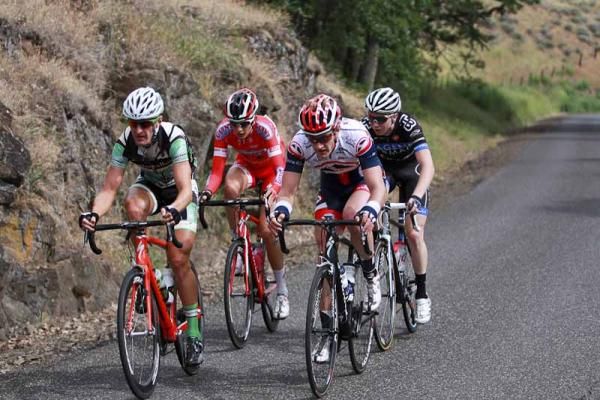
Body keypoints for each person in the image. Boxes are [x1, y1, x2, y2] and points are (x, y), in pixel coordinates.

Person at [78, 87, 204, 366]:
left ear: (157, 121)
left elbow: (184, 189)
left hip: (180, 194)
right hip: (150, 187)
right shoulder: (125, 142)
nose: (138, 130)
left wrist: (173, 209)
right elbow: (109, 188)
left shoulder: (174, 138)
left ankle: (194, 331)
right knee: (132, 205)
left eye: (145, 123)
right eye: (133, 123)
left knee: (178, 257)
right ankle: (148, 275)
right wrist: (94, 214)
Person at [269, 93, 386, 362]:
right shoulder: (300, 144)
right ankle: (326, 335)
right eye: (313, 138)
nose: (319, 145)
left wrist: (372, 208)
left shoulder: (355, 135)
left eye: (323, 137)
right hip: (330, 189)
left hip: (361, 185)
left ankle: (370, 273)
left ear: (336, 128)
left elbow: (377, 186)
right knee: (324, 258)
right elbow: (287, 191)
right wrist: (281, 212)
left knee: (352, 214)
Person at [200, 88, 289, 319]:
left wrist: (275, 189)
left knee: (267, 231)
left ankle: (282, 292)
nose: (238, 130)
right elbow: (218, 170)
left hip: (271, 171)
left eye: (244, 124)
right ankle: (239, 242)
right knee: (229, 188)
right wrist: (208, 191)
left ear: (253, 118)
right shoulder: (223, 130)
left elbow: (280, 167)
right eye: (234, 124)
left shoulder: (265, 128)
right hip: (247, 166)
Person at [363, 87, 435, 324]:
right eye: (371, 117)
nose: (375, 123)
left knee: (414, 233)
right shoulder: (366, 127)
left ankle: (422, 294)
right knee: (371, 208)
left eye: (381, 119)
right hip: (386, 173)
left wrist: (416, 196)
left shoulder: (408, 125)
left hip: (412, 174)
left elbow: (427, 166)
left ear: (394, 116)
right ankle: (377, 254)